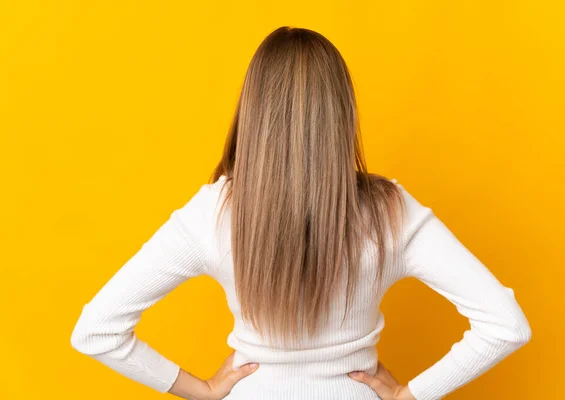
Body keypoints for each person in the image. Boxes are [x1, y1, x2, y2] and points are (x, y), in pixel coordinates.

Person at [70, 26, 531, 400]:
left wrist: (203, 391)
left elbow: (96, 331)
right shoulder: (390, 212)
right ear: (342, 115)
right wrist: (410, 395)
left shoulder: (215, 211)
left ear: (253, 112)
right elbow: (505, 325)